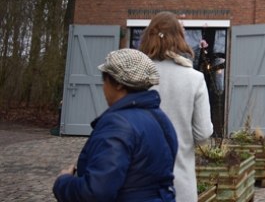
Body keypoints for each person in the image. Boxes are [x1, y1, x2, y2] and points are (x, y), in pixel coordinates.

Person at [53, 49, 178, 201]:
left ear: (118, 83)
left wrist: (64, 182)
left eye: (104, 80)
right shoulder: (160, 119)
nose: (103, 88)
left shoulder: (117, 124)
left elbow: (96, 193)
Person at [139, 12, 213, 202]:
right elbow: (203, 132)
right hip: (179, 181)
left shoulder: (136, 78)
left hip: (139, 182)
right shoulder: (194, 79)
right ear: (179, 38)